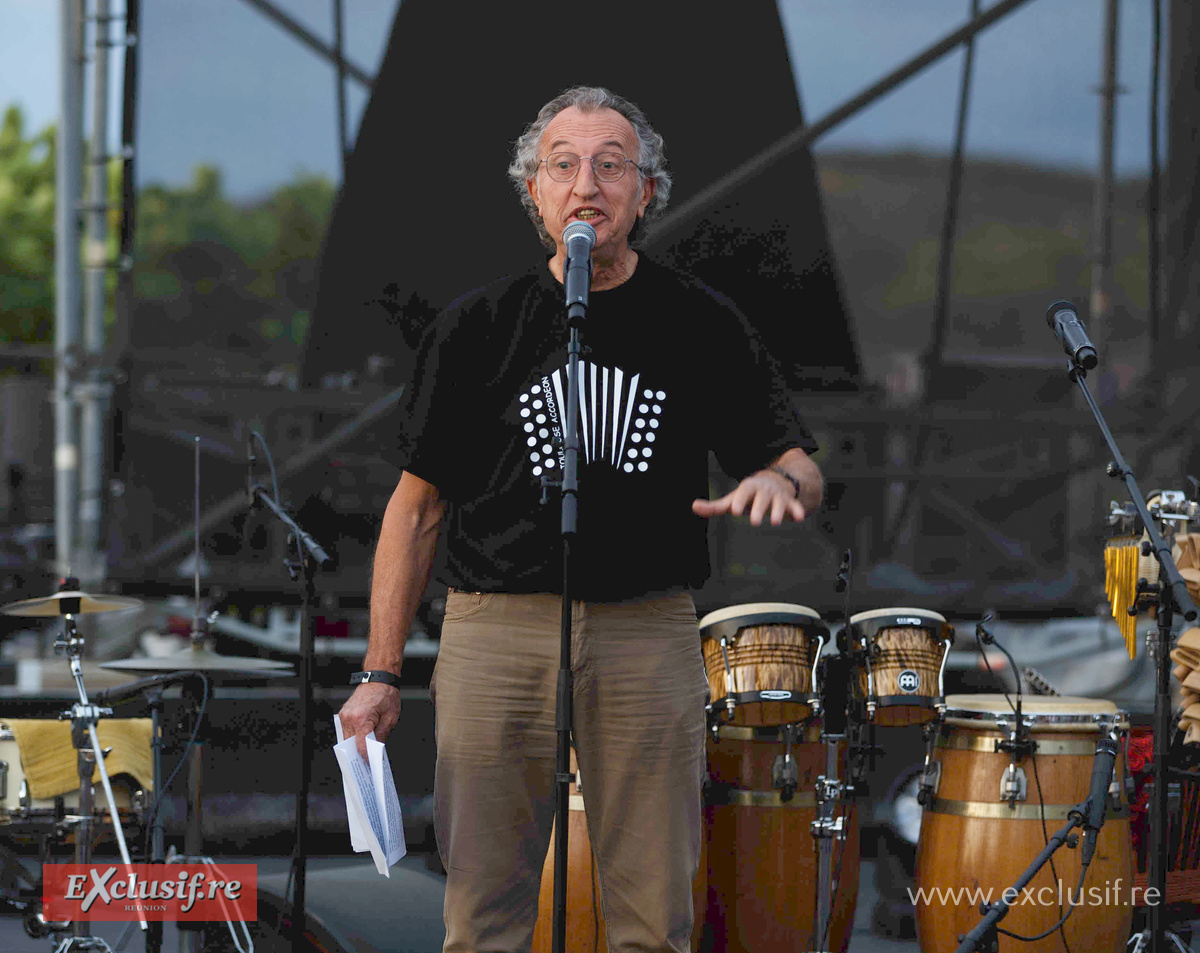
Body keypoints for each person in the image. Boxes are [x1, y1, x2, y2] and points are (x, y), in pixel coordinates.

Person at [338, 85, 824, 953]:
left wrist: (784, 482)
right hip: (494, 629)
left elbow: (795, 457)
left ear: (646, 193)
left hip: (648, 629)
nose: (586, 185)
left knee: (652, 913)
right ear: (535, 192)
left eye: (611, 165)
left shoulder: (699, 321)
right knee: (483, 910)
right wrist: (380, 669)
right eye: (563, 165)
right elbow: (415, 509)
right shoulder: (476, 327)